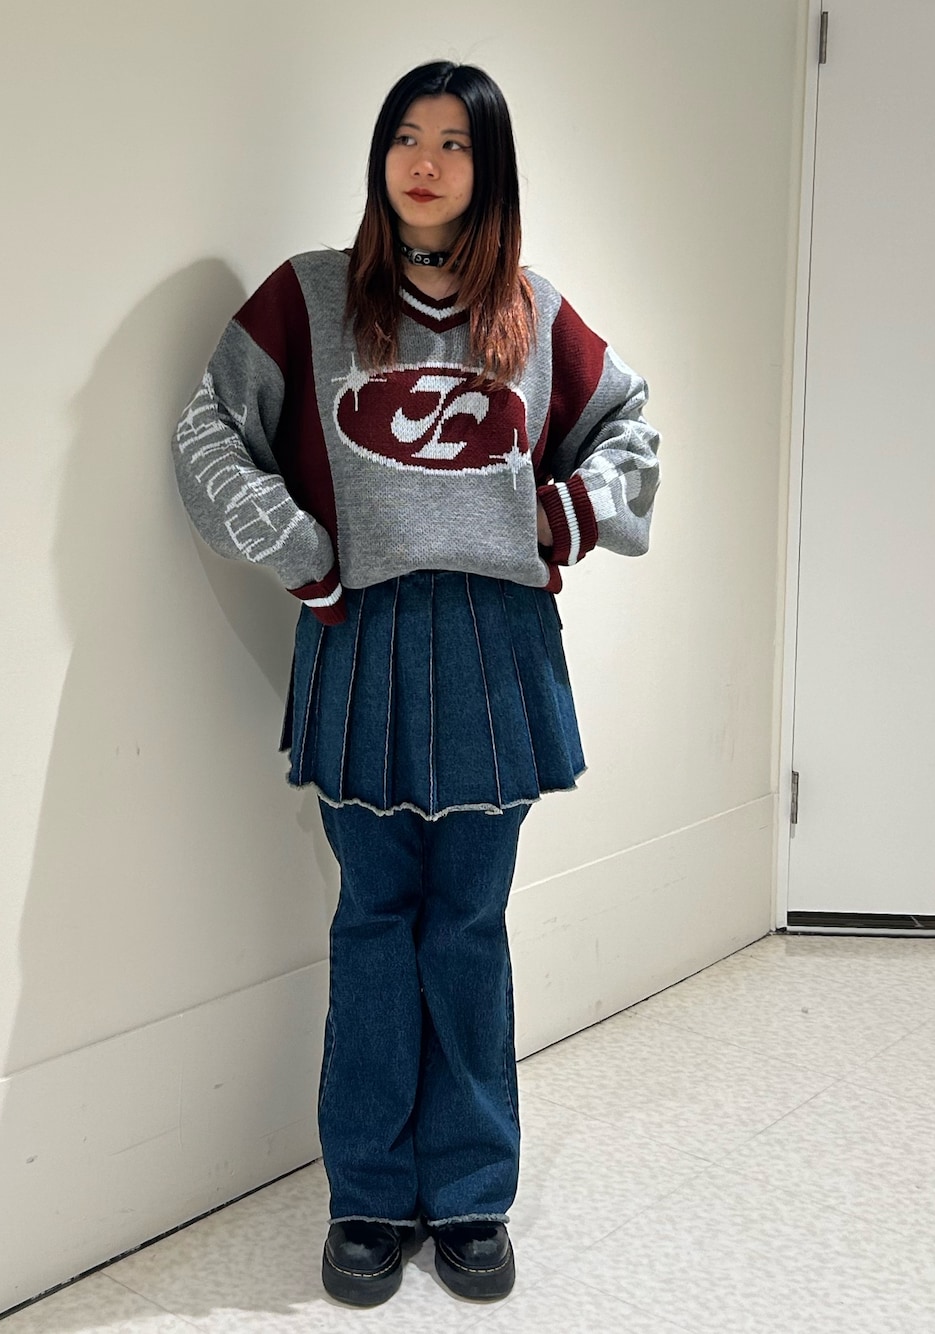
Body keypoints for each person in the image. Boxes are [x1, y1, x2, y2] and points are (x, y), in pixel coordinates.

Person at [170, 60, 660, 1307]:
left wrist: (562, 514)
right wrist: (294, 546)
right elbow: (206, 430)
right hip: (363, 641)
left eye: (455, 142)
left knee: (469, 923)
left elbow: (629, 428)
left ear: (490, 171)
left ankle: (473, 1192)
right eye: (405, 135)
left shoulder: (533, 314)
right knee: (375, 919)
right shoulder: (308, 297)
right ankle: (369, 1194)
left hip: (497, 650)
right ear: (380, 155)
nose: (425, 162)